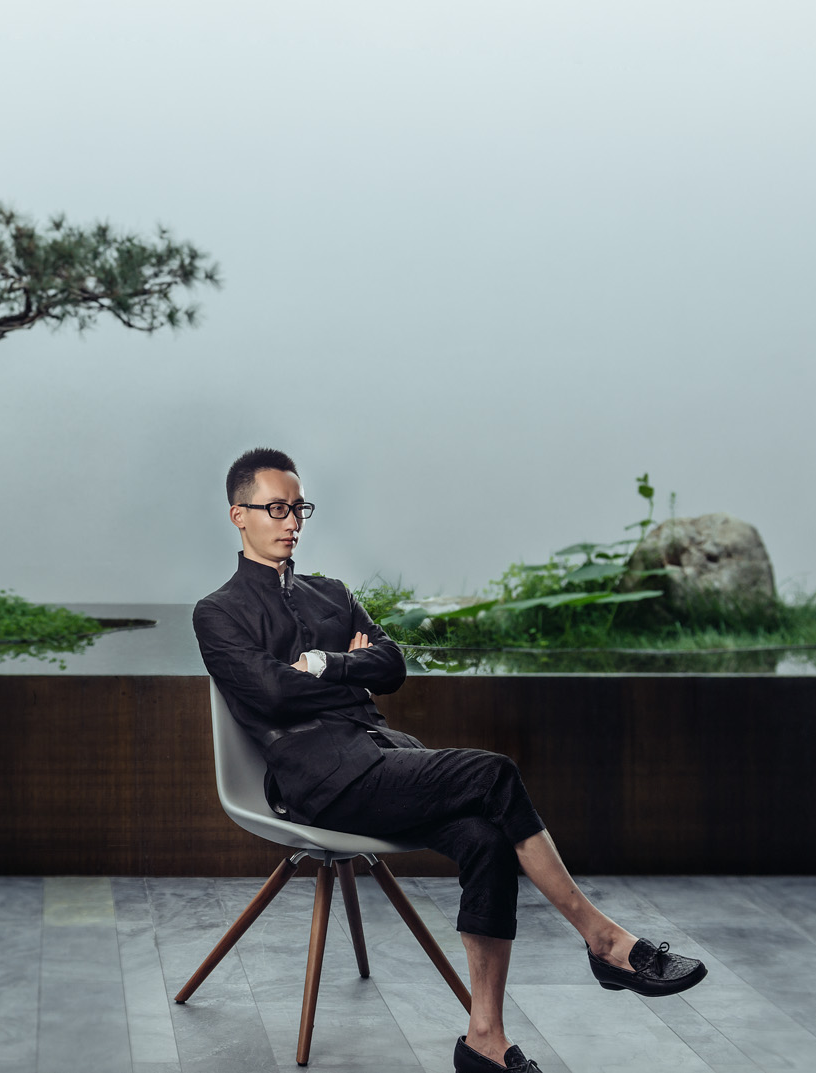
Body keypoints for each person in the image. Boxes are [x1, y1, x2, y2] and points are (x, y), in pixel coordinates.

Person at [193, 447, 706, 1073]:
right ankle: (603, 940)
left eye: (299, 508)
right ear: (238, 515)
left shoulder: (331, 593)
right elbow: (270, 692)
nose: (292, 521)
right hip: (321, 782)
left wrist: (325, 664)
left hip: (385, 760)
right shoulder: (218, 612)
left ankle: (484, 1039)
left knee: (486, 840)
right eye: (276, 508)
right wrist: (349, 670)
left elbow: (392, 668)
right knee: (495, 773)